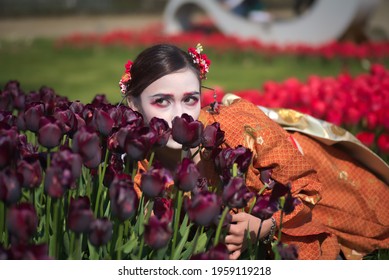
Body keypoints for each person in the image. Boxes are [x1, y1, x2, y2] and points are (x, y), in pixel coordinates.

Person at [119, 43, 389, 260]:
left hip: (322, 182)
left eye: (190, 99)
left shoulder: (236, 128)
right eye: (162, 101)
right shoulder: (136, 167)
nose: (180, 114)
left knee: (377, 222)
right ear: (133, 104)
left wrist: (265, 227)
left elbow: (305, 187)